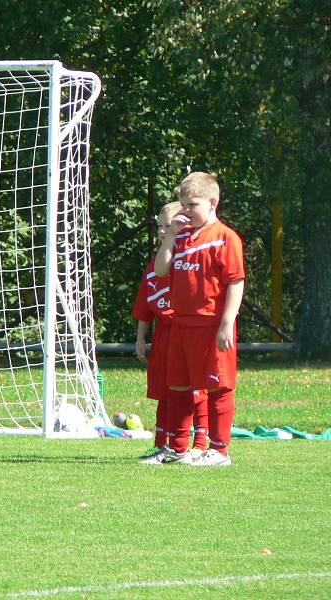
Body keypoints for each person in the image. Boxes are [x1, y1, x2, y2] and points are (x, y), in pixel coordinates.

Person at [142, 171, 245, 466]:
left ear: (212, 203)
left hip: (211, 325)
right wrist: (171, 237)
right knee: (177, 387)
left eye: (192, 205)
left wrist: (227, 323)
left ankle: (219, 450)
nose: (186, 211)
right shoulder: (182, 237)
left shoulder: (226, 238)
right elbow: (161, 271)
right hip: (180, 324)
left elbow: (235, 282)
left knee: (217, 386)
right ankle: (177, 449)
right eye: (183, 204)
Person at [132, 201, 208, 459]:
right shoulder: (157, 263)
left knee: (196, 390)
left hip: (187, 330)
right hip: (164, 335)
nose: (164, 231)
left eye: (169, 225)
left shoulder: (190, 254)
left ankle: (199, 444)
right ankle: (163, 443)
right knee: (165, 390)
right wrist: (141, 337)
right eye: (161, 226)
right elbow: (145, 302)